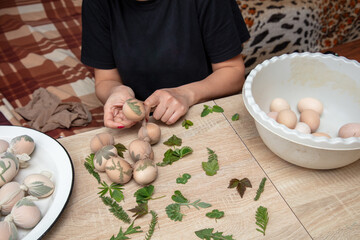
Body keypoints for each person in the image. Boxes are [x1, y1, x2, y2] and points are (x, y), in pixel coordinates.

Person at [81, 0, 250, 129]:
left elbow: (232, 72)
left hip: (201, 110)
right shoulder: (97, 3)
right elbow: (105, 80)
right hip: (139, 124)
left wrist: (186, 94)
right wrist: (116, 91)